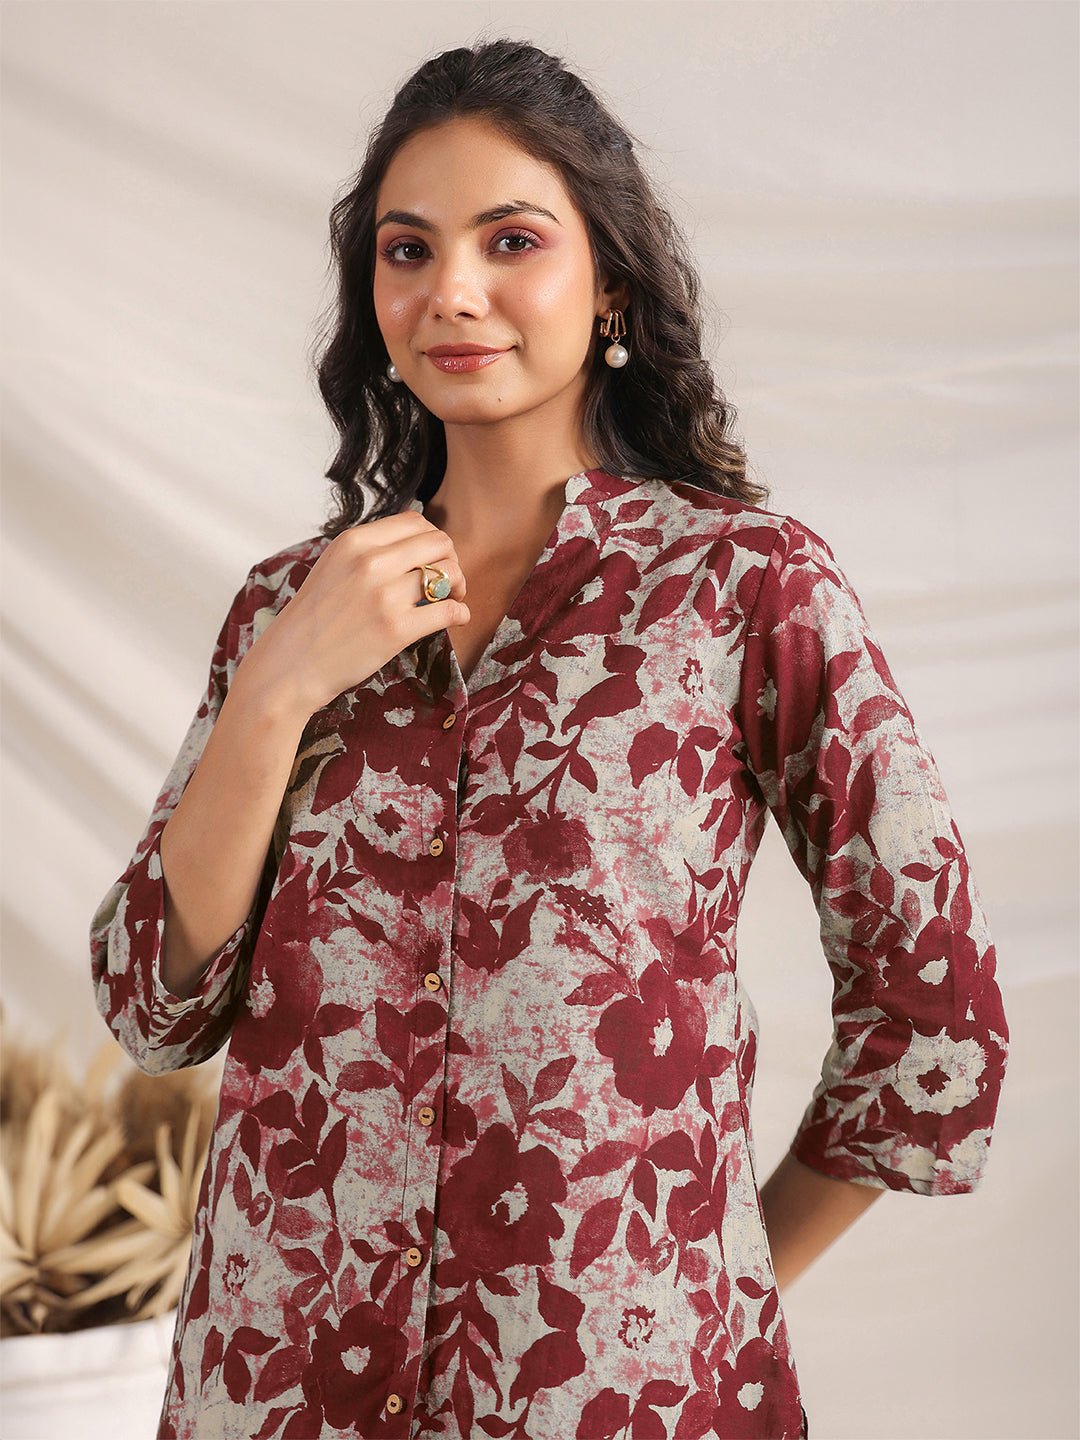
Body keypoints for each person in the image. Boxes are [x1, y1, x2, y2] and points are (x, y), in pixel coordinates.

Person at [89, 36, 1009, 1440]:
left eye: (510, 240)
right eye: (407, 250)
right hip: (278, 1388)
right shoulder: (291, 606)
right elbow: (151, 1005)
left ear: (611, 284)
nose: (451, 291)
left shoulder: (744, 588)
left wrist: (712, 1291)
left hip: (614, 1393)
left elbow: (934, 1014)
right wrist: (280, 689)